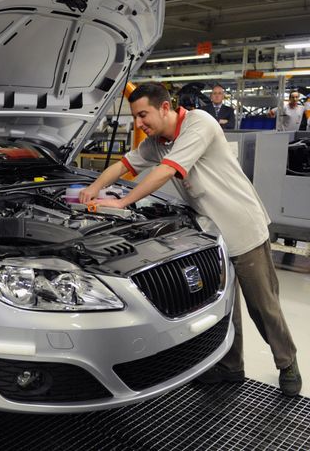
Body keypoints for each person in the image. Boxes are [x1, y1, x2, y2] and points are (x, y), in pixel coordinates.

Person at [79, 82, 302, 397]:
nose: (140, 124)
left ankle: (287, 362)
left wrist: (121, 202)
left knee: (263, 306)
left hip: (243, 227)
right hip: (212, 236)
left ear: (165, 107)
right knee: (225, 307)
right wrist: (92, 190)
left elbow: (168, 171)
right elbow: (124, 165)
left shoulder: (199, 123)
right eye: (135, 117)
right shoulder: (156, 141)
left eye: (144, 115)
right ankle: (230, 367)